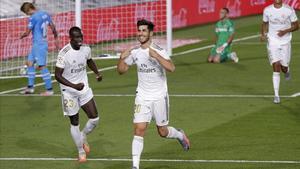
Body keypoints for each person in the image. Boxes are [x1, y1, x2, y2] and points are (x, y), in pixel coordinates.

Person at [117, 19, 190, 169]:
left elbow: (171, 68)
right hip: (142, 96)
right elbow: (121, 70)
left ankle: (180, 135)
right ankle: (135, 166)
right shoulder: (135, 51)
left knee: (162, 132)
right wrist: (121, 58)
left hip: (159, 97)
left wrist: (156, 56)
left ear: (151, 33)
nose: (141, 33)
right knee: (139, 129)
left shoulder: (159, 50)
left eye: (144, 30)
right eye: (139, 30)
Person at [55, 26, 103, 162]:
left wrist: (97, 73)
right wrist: (73, 86)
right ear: (70, 38)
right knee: (74, 122)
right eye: (76, 37)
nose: (79, 39)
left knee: (94, 119)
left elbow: (89, 61)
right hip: (69, 92)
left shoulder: (86, 49)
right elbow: (57, 75)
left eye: (80, 36)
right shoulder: (64, 53)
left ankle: (83, 136)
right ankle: (81, 151)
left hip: (84, 89)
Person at [261, 0, 299, 104]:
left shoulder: (289, 10)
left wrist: (285, 31)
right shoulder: (267, 10)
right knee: (276, 65)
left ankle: (286, 71)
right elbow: (264, 23)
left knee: (284, 67)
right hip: (272, 41)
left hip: (285, 41)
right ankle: (276, 95)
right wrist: (263, 34)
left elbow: (296, 26)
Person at [20, 2, 59, 95]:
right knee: (30, 63)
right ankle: (30, 87)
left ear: (28, 10)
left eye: (26, 12)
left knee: (42, 66)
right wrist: (56, 37)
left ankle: (49, 90)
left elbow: (27, 32)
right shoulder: (45, 14)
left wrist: (21, 35)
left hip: (39, 45)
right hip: (38, 44)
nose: (27, 14)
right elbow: (52, 26)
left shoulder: (33, 17)